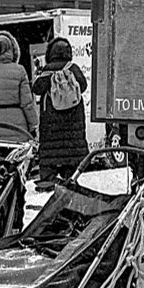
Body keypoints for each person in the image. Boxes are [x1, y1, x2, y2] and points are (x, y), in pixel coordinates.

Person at [31, 37, 88, 185]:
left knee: (51, 157)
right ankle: (71, 176)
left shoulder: (47, 71)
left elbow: (36, 88)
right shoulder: (73, 68)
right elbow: (83, 85)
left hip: (51, 128)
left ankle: (49, 179)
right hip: (72, 128)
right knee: (72, 166)